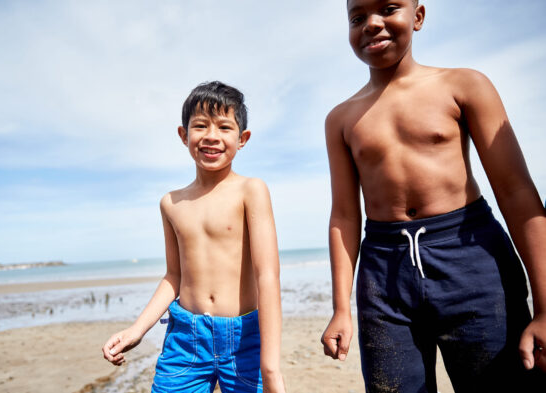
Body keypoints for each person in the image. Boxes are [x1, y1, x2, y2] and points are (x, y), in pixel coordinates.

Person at [320, 0, 546, 392]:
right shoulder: (342, 118)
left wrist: (545, 305)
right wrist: (342, 308)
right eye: (357, 18)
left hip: (471, 259)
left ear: (418, 17)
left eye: (389, 9)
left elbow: (516, 191)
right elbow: (344, 214)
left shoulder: (463, 85)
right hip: (383, 273)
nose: (372, 24)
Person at [102, 81, 286, 393]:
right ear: (184, 135)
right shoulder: (171, 203)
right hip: (186, 338)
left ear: (242, 139)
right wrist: (137, 330)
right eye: (200, 126)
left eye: (224, 127)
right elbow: (174, 276)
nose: (211, 136)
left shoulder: (251, 191)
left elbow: (267, 275)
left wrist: (270, 369)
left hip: (244, 338)